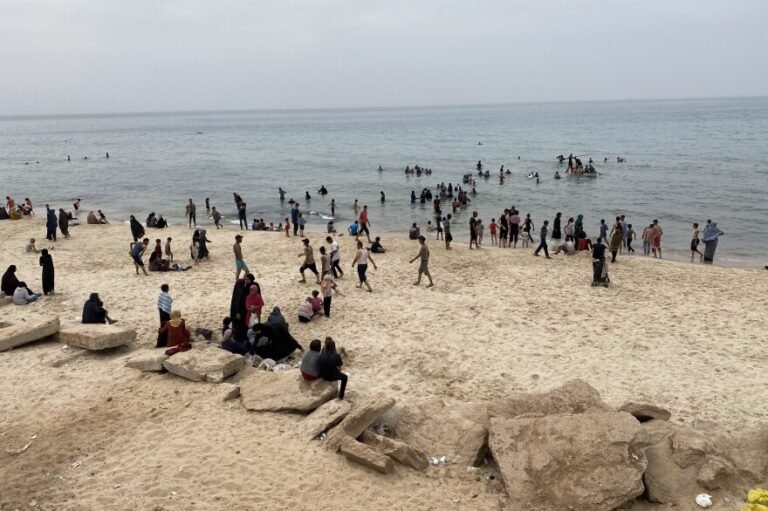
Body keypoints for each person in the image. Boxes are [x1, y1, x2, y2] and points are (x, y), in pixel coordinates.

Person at [230, 273, 255, 341]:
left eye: (248, 280)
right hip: (239, 311)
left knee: (245, 326)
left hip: (246, 311)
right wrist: (237, 312)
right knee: (238, 327)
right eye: (246, 279)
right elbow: (237, 301)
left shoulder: (251, 287)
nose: (246, 281)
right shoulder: (240, 287)